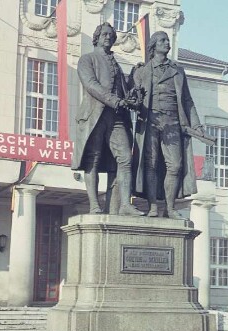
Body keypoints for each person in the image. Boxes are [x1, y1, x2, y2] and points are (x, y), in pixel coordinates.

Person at [72, 22, 144, 216]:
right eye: (104, 34)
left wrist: (134, 78)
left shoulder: (116, 64)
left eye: (111, 35)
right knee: (92, 160)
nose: (108, 37)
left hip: (117, 117)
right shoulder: (87, 59)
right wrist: (115, 100)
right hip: (94, 116)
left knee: (125, 159)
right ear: (96, 37)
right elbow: (91, 85)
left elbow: (124, 90)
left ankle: (125, 205)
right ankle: (94, 205)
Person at [132, 31, 205, 219]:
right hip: (150, 123)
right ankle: (153, 206)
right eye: (162, 40)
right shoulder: (142, 71)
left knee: (175, 166)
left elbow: (187, 100)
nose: (167, 43)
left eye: (167, 40)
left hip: (173, 124)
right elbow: (133, 97)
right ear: (154, 45)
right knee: (150, 164)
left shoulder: (178, 71)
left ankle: (170, 208)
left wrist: (196, 125)